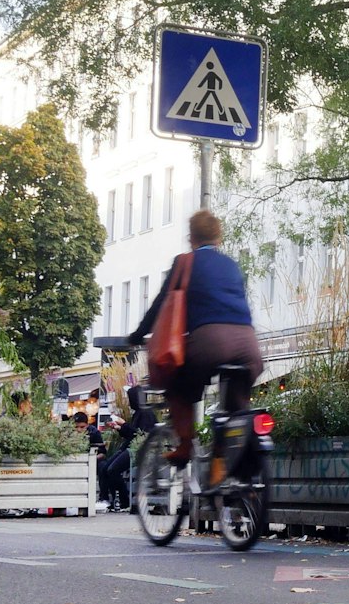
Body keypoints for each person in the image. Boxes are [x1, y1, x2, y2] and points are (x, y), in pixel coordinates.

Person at [127, 209, 263, 467]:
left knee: (177, 387)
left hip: (211, 343)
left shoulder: (184, 263)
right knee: (237, 407)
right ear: (218, 239)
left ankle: (185, 447)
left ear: (192, 238)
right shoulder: (232, 265)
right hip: (249, 345)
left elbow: (160, 305)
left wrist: (138, 334)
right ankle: (233, 464)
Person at [98, 385, 156, 510]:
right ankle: (111, 500)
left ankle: (123, 501)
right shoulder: (139, 413)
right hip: (130, 447)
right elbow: (133, 433)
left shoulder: (145, 413)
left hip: (137, 449)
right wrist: (120, 428)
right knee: (106, 468)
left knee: (112, 470)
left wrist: (123, 424)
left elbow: (140, 434)